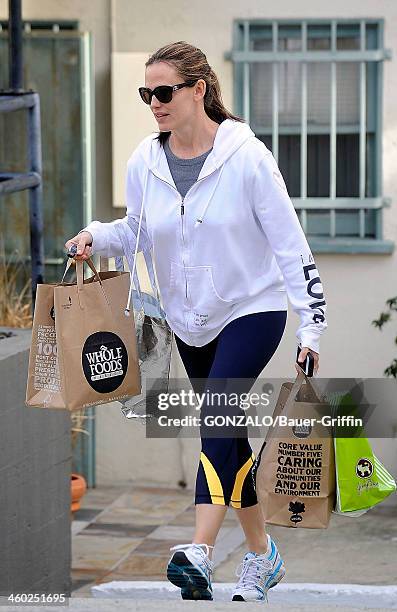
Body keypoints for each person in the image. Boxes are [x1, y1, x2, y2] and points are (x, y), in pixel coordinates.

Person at [65, 41, 327, 602]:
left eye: (164, 92)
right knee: (228, 436)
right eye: (147, 94)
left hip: (252, 310)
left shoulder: (248, 158)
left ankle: (199, 550)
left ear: (198, 90)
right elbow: (135, 229)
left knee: (217, 410)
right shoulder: (146, 160)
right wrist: (95, 235)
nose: (154, 103)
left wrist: (311, 326)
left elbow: (290, 247)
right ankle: (262, 554)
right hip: (190, 320)